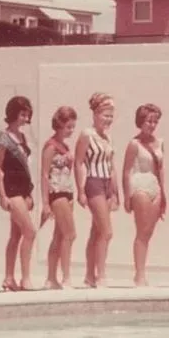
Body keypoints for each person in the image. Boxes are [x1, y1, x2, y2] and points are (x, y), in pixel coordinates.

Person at [76, 93, 120, 288]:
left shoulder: (107, 137)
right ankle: (101, 274)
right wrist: (80, 190)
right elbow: (78, 163)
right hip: (93, 182)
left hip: (106, 183)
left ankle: (89, 276)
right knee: (106, 231)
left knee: (96, 232)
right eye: (105, 115)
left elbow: (112, 166)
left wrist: (115, 192)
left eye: (111, 115)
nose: (108, 119)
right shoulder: (87, 134)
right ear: (95, 114)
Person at [0, 96, 36, 292]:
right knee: (30, 231)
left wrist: (29, 192)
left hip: (23, 190)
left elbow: (25, 166)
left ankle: (9, 278)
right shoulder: (4, 137)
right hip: (11, 190)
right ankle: (26, 277)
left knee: (16, 235)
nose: (25, 118)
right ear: (13, 114)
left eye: (27, 115)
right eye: (22, 114)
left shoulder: (22, 137)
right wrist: (2, 195)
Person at [122, 103, 166, 287]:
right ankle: (139, 274)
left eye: (155, 121)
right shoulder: (134, 144)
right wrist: (126, 196)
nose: (152, 125)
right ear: (141, 121)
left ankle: (142, 270)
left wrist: (163, 193)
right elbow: (126, 171)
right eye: (149, 121)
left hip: (155, 185)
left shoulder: (160, 142)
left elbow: (161, 169)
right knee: (141, 231)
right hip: (139, 184)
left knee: (148, 232)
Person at [41, 106, 78, 289]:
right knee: (70, 234)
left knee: (59, 236)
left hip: (67, 191)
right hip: (57, 193)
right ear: (59, 125)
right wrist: (45, 203)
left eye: (73, 127)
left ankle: (50, 278)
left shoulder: (65, 146)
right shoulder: (50, 146)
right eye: (68, 127)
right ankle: (66, 277)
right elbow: (44, 174)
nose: (71, 130)